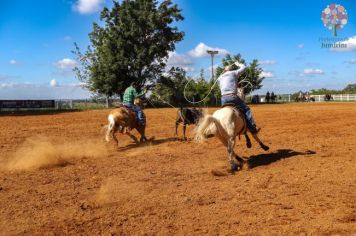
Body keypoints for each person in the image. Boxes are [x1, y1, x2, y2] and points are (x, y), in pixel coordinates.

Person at [218, 62, 260, 134]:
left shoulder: (219, 78)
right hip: (232, 97)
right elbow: (244, 67)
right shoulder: (233, 73)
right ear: (230, 69)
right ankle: (253, 127)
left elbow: (221, 86)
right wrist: (238, 64)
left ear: (224, 70)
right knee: (246, 108)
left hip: (223, 99)